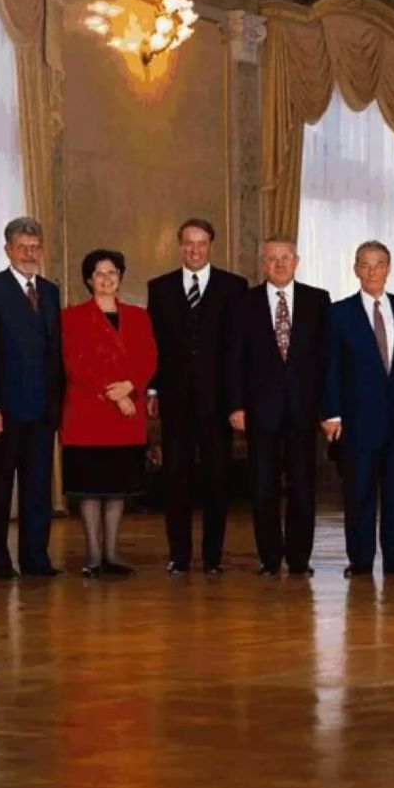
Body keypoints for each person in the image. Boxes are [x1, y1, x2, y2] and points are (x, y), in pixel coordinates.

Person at [147, 218, 248, 575]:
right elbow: (154, 345)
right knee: (176, 478)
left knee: (217, 479)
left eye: (201, 243)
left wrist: (238, 402)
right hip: (175, 400)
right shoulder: (159, 288)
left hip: (218, 402)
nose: (194, 249)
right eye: (188, 243)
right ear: (180, 245)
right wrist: (153, 388)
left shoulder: (235, 287)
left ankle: (213, 557)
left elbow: (238, 349)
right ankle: (179, 555)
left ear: (211, 246)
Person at [227, 235, 330, 577]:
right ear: (263, 263)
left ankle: (299, 559)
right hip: (260, 411)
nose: (280, 264)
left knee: (303, 486)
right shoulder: (245, 302)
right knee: (262, 486)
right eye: (273, 258)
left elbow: (326, 360)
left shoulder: (318, 300)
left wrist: (328, 408)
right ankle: (269, 559)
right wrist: (237, 405)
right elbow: (235, 359)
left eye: (286, 257)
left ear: (296, 261)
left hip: (305, 410)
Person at [0, 217, 63, 579]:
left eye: (35, 247)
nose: (29, 253)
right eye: (22, 247)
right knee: (0, 489)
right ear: (7, 249)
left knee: (38, 491)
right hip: (3, 412)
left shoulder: (51, 292)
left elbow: (55, 353)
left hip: (42, 412)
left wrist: (58, 406)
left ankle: (36, 560)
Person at [322, 241, 394, 578]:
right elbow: (331, 367)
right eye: (364, 265)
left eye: (378, 264)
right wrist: (332, 414)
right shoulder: (339, 313)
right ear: (355, 269)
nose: (371, 271)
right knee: (359, 494)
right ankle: (361, 560)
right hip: (356, 421)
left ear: (388, 268)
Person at [60, 250, 157, 577]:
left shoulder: (139, 316)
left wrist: (130, 386)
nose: (106, 279)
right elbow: (75, 364)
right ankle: (92, 555)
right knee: (90, 489)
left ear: (120, 276)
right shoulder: (71, 317)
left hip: (126, 417)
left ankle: (112, 553)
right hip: (89, 414)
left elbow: (149, 359)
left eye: (112, 272)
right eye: (99, 273)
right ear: (89, 279)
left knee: (117, 489)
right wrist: (115, 395)